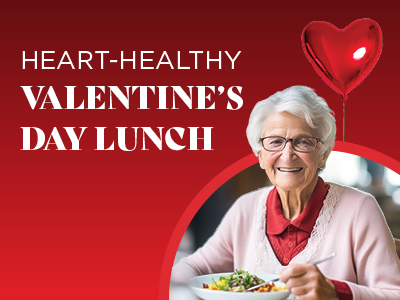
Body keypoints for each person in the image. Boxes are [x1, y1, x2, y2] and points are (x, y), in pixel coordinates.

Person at [171, 86, 400, 299]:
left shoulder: (360, 209)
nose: (288, 154)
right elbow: (194, 268)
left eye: (303, 142)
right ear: (260, 155)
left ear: (323, 154)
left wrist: (335, 292)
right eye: (275, 142)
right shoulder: (245, 209)